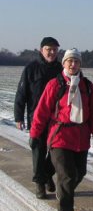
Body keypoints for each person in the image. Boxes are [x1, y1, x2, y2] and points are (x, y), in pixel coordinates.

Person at [29, 48, 93, 211]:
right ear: (64, 63)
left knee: (79, 173)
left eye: (76, 61)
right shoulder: (55, 84)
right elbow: (42, 111)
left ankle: (62, 192)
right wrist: (35, 134)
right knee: (67, 176)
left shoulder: (88, 87)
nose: (73, 64)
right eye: (69, 61)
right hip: (60, 137)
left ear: (80, 64)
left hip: (81, 138)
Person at [14, 37, 63, 199]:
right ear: (41, 50)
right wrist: (18, 116)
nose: (52, 52)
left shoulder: (62, 69)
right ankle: (39, 184)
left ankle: (47, 174)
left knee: (57, 152)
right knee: (38, 151)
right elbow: (21, 93)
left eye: (55, 49)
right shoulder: (31, 68)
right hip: (37, 118)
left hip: (57, 119)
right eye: (49, 49)